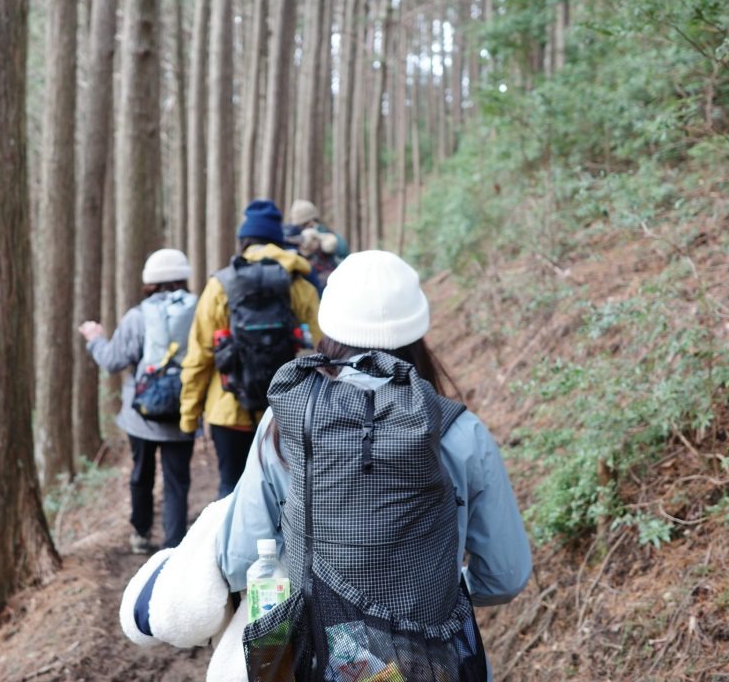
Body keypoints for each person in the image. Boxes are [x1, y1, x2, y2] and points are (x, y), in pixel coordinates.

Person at [215, 250, 531, 679]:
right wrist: (430, 595)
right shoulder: (460, 432)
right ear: (419, 330)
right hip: (433, 664)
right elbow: (504, 576)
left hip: (320, 660)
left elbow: (238, 560)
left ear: (329, 324)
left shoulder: (287, 420)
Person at [179, 199, 321, 499]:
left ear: (244, 241)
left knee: (231, 492)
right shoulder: (299, 285)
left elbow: (200, 356)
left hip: (229, 410)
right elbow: (323, 350)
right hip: (285, 412)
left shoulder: (221, 286)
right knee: (285, 492)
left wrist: (189, 416)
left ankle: (232, 545)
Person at [79, 248, 197, 553]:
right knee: (176, 480)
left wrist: (95, 339)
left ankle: (141, 534)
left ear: (150, 282)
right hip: (183, 410)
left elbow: (114, 361)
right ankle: (174, 546)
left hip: (141, 414)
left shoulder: (137, 316)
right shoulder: (197, 311)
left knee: (141, 474)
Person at [286, 199, 349, 289]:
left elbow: (344, 260)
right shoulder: (294, 238)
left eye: (303, 224)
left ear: (311, 221)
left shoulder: (332, 238)